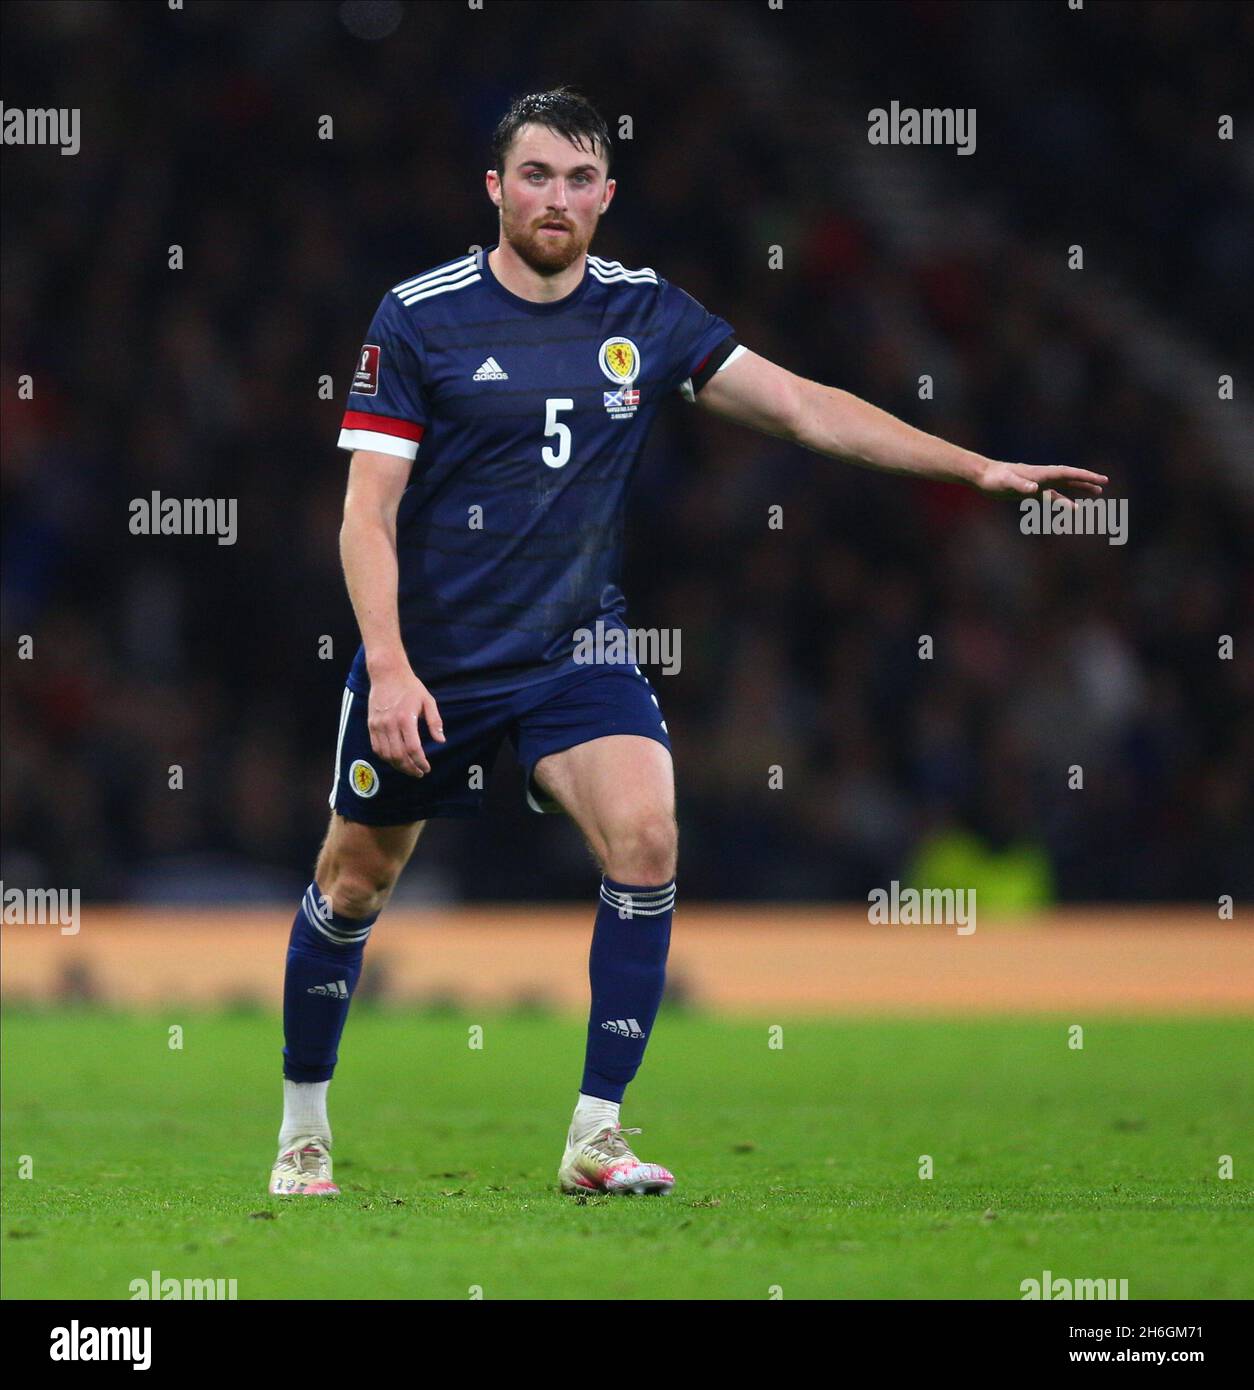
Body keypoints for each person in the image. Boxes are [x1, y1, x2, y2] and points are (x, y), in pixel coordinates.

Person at [269, 87, 1106, 1198]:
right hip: (435, 661)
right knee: (355, 883)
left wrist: (975, 466)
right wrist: (389, 664)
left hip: (578, 653)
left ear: (607, 196)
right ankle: (303, 1128)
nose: (555, 197)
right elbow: (365, 511)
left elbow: (805, 407)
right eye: (534, 175)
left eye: (578, 179)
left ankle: (595, 1134)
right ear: (495, 189)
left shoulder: (646, 314)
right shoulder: (419, 318)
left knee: (649, 834)